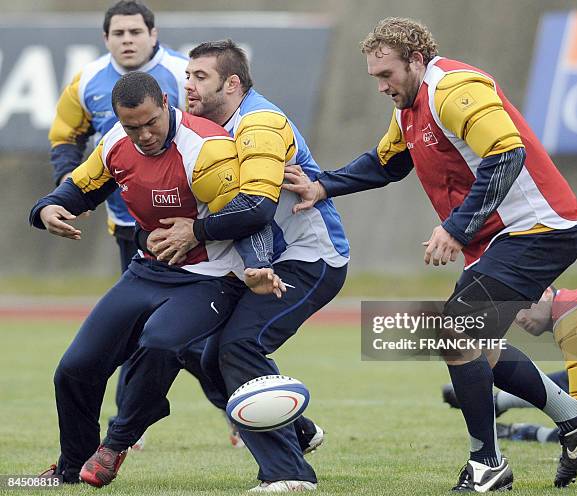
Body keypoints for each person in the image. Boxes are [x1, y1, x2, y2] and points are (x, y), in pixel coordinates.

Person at [282, 17, 577, 491]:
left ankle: (488, 463)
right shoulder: (408, 105)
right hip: (501, 236)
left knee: (457, 329)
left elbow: (507, 154)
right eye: (374, 77)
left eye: (385, 74)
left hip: (540, 228)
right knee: (475, 342)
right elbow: (386, 162)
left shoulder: (455, 89)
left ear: (416, 61)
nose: (380, 86)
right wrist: (323, 184)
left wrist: (456, 228)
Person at [32, 72, 282, 485]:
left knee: (161, 343)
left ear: (166, 103)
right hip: (149, 270)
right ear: (118, 120)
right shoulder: (115, 141)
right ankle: (71, 468)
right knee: (74, 369)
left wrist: (255, 262)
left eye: (151, 122)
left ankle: (116, 444)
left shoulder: (206, 149)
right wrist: (49, 207)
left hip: (211, 277)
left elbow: (251, 215)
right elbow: (82, 185)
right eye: (133, 127)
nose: (144, 134)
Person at [131, 39, 350, 492]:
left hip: (308, 259)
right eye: (187, 76)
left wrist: (195, 231)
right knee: (201, 353)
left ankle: (289, 475)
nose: (188, 85)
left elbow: (256, 209)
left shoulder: (260, 123)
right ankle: (298, 431)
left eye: (200, 77)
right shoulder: (199, 127)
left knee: (237, 348)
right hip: (255, 260)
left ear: (232, 84)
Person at [47, 0, 188, 444]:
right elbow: (65, 137)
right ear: (105, 38)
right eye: (118, 33)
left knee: (188, 335)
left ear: (153, 33)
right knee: (140, 327)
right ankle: (133, 419)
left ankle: (246, 413)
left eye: (135, 32)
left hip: (186, 227)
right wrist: (70, 191)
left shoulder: (185, 76)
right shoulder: (86, 80)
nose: (127, 40)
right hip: (127, 224)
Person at [444, 285, 577, 451]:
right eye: (513, 312)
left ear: (545, 292)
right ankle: (513, 417)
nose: (519, 318)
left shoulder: (572, 314)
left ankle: (528, 431)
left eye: (522, 306)